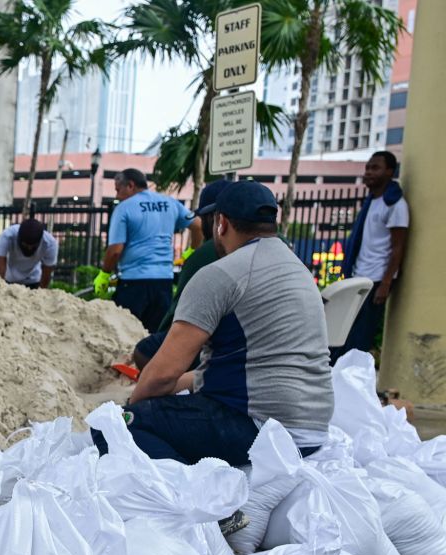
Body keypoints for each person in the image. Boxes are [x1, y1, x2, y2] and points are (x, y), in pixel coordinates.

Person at [92, 181, 333, 470]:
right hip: (312, 429)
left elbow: (162, 374)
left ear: (221, 223)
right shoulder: (297, 269)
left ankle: (205, 502)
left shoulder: (221, 274)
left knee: (114, 427)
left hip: (260, 429)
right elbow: (223, 372)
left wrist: (133, 408)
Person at [132, 178, 229, 368]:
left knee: (145, 351)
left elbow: (177, 319)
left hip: (217, 346)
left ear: (215, 219)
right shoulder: (281, 246)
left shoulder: (208, 254)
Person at [99, 168, 203, 333]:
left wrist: (104, 274)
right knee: (156, 339)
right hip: (164, 282)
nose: (117, 195)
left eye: (118, 189)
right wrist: (191, 251)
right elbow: (198, 225)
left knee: (126, 335)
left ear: (131, 185)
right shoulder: (170, 203)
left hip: (133, 283)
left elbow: (115, 250)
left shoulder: (124, 208)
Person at [334, 150, 409, 358]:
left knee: (360, 339)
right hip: (358, 275)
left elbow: (398, 247)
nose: (368, 172)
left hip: (376, 280)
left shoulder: (395, 205)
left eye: (375, 168)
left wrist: (385, 284)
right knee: (343, 335)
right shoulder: (370, 202)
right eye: (367, 167)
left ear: (390, 171)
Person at [0, 219, 58, 288]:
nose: (29, 249)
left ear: (40, 241)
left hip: (33, 280)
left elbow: (46, 274)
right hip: (7, 278)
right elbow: (0, 265)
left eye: (33, 247)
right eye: (25, 246)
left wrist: (41, 292)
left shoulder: (50, 244)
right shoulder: (7, 236)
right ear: (18, 238)